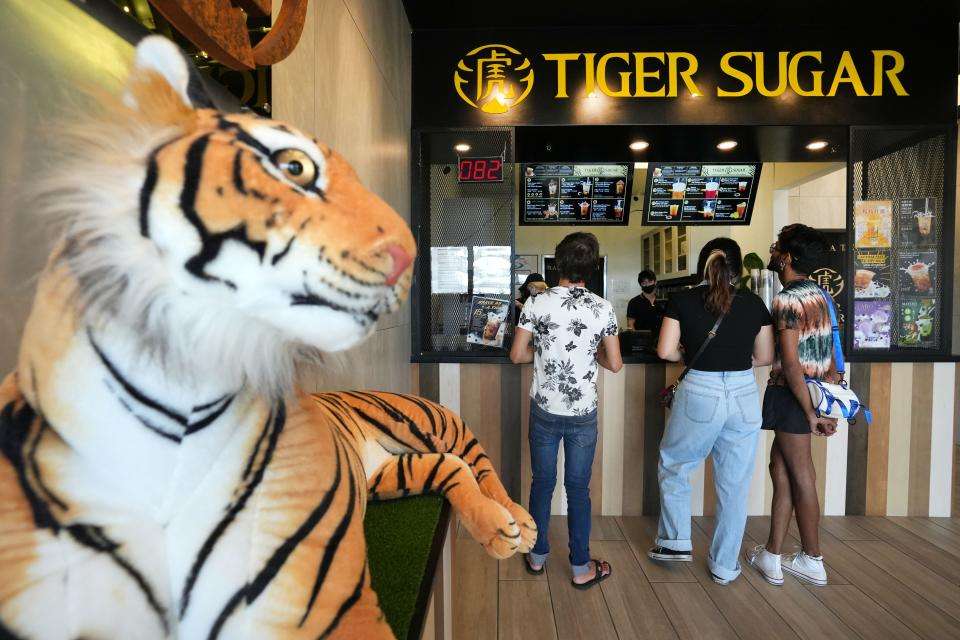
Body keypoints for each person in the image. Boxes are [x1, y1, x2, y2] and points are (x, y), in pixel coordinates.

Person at [648, 238, 775, 585]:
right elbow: (764, 357)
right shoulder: (754, 303)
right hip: (744, 393)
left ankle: (675, 542)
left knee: (675, 465)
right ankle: (724, 565)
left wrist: (687, 356)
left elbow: (665, 350)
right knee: (734, 484)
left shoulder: (683, 299)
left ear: (702, 265)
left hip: (700, 390)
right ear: (738, 268)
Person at [510, 232, 622, 589]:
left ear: (557, 264)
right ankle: (580, 567)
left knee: (542, 483)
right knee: (578, 488)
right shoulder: (602, 308)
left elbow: (517, 355)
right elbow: (615, 364)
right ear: (592, 267)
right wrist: (593, 356)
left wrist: (541, 357)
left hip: (544, 409)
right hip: (582, 414)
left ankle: (537, 555)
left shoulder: (536, 304)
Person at [746, 224, 838, 587]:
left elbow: (790, 360)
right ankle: (772, 553)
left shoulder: (787, 299)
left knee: (802, 476)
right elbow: (829, 356)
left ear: (787, 257)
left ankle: (813, 559)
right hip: (811, 392)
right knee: (780, 468)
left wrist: (811, 413)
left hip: (792, 393)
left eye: (778, 247)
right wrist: (823, 404)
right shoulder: (821, 296)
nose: (773, 251)